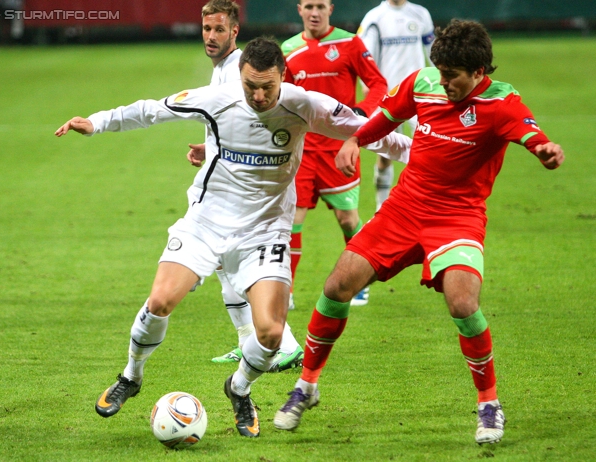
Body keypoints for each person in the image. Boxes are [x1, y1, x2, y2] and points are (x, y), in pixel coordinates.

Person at [55, 37, 411, 438]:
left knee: (272, 335)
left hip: (265, 231)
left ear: (283, 78)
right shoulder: (218, 98)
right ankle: (131, 376)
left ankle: (239, 389)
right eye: (250, 86)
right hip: (206, 222)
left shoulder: (305, 104)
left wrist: (425, 157)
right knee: (160, 302)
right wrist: (98, 121)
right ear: (240, 76)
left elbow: (373, 130)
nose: (258, 96)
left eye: (267, 87)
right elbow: (153, 110)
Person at [274, 19, 565, 445]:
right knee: (337, 286)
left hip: (458, 216)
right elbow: (387, 115)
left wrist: (545, 150)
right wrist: (357, 140)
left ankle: (488, 405)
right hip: (404, 209)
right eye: (441, 72)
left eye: (453, 76)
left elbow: (531, 134)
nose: (443, 81)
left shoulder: (502, 103)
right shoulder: (426, 81)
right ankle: (306, 387)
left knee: (464, 304)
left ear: (479, 73)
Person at [191, 0, 304, 372]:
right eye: (207, 29)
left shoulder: (237, 72)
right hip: (222, 179)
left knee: (233, 263)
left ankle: (282, 343)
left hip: (236, 190)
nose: (211, 36)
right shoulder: (223, 69)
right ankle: (249, 340)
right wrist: (207, 150)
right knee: (225, 264)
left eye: (219, 30)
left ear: (234, 31)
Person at [281, 0, 389, 307]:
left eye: (321, 6)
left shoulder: (350, 43)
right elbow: (283, 97)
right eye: (309, 6)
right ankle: (285, 289)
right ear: (299, 9)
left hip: (339, 149)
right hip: (302, 150)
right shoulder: (288, 49)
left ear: (331, 8)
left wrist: (362, 111)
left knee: (346, 218)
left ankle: (360, 281)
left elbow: (378, 84)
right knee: (292, 219)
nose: (315, 13)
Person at [358, 0, 435, 211]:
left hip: (421, 95)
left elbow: (434, 52)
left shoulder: (420, 14)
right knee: (384, 156)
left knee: (426, 153)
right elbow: (365, 58)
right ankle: (381, 207)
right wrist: (368, 86)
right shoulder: (375, 18)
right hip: (389, 97)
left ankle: (425, 206)